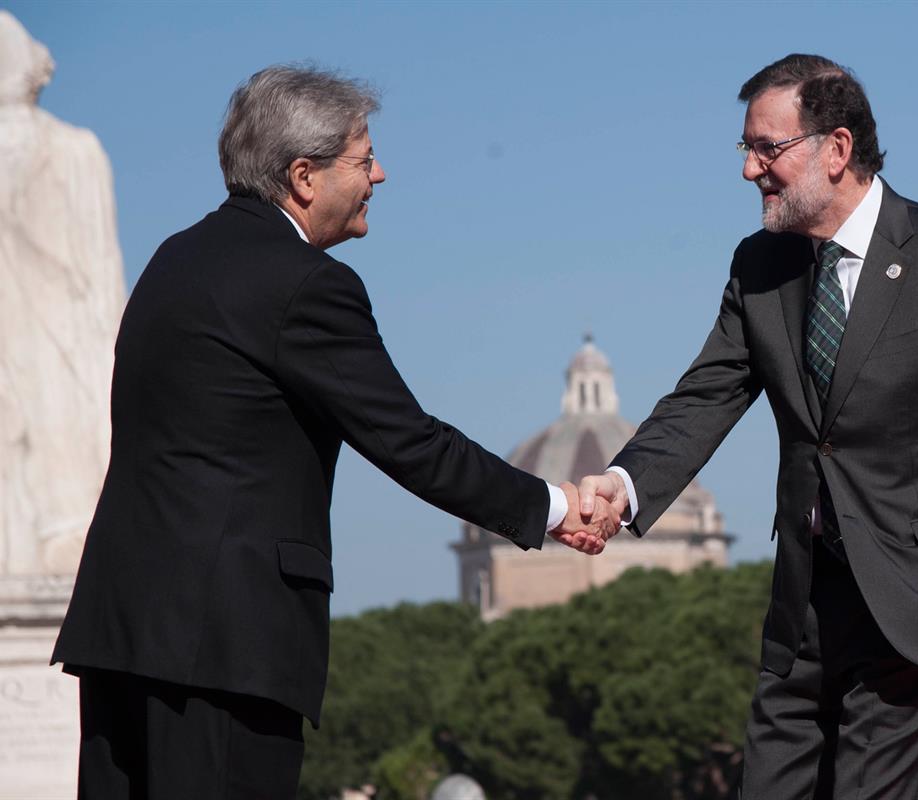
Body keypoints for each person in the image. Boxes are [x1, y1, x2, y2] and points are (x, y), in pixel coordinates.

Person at [51, 65, 617, 799]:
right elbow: (408, 440)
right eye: (363, 158)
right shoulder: (304, 284)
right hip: (224, 646)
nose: (382, 173)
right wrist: (557, 507)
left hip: (121, 629)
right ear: (303, 175)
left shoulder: (174, 259)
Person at [580, 54, 918, 799]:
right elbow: (706, 394)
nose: (749, 169)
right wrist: (624, 485)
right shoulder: (760, 264)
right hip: (804, 608)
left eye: (765, 149)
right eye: (744, 150)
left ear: (836, 149)